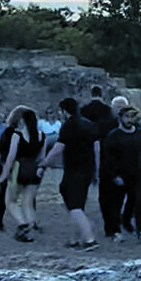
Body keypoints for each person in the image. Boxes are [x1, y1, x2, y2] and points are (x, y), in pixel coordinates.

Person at [42, 98, 100, 250]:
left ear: (64, 111)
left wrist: (44, 163)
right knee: (78, 204)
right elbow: (97, 148)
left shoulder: (69, 125)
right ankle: (75, 238)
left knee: (73, 204)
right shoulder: (89, 124)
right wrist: (97, 169)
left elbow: (58, 148)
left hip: (73, 169)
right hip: (88, 170)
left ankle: (89, 239)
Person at [100, 105, 141, 243]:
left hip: (137, 174)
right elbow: (108, 159)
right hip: (120, 176)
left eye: (132, 117)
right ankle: (116, 231)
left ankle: (137, 228)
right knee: (116, 204)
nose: (130, 120)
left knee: (137, 202)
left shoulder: (140, 134)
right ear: (120, 118)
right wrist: (114, 175)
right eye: (127, 117)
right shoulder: (113, 136)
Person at [0, 107, 44, 243]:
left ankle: (22, 224)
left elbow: (11, 157)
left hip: (19, 169)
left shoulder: (17, 135)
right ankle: (30, 228)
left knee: (10, 201)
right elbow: (42, 157)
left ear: (23, 120)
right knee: (28, 203)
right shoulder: (41, 136)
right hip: (34, 170)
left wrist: (4, 175)